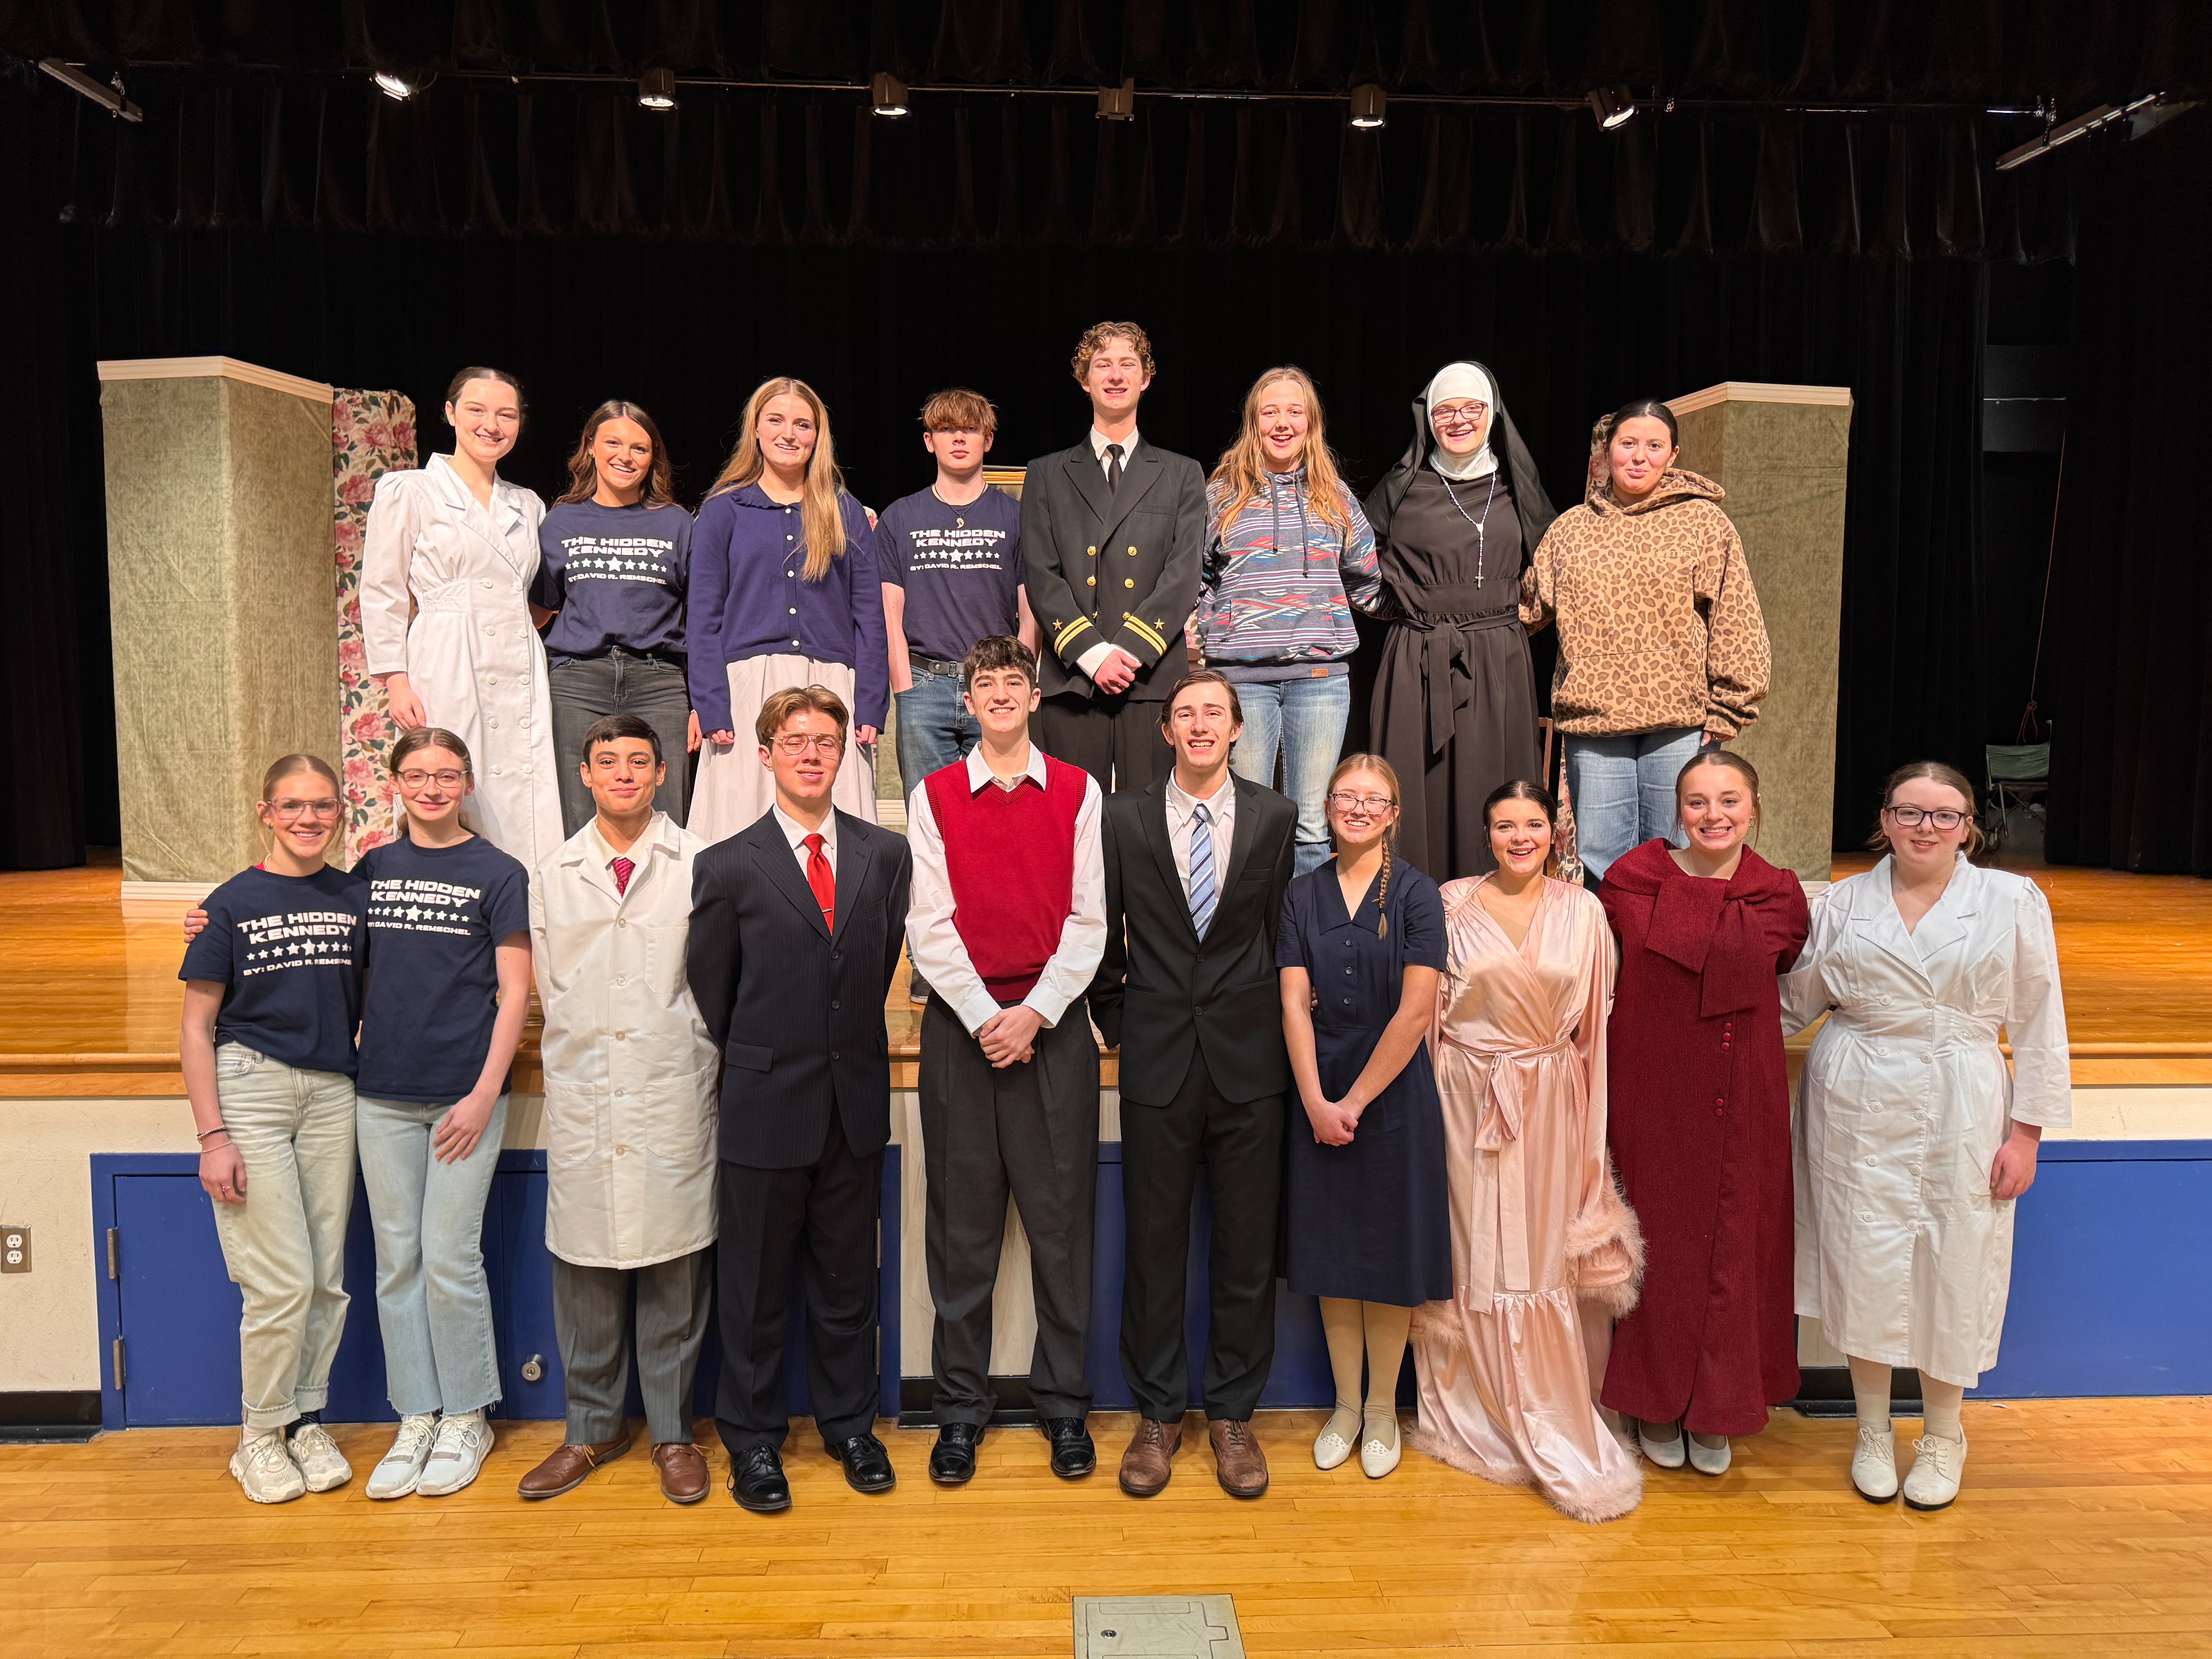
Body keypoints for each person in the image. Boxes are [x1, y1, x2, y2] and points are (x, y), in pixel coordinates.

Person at [1781, 762, 2069, 1511]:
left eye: (1945, 815)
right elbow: (1791, 1003)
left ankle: (1944, 1433)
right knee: (1864, 1259)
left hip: (1963, 1096)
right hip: (1856, 1094)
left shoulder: (2010, 900)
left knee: (1955, 1262)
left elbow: (2040, 1022)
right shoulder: (1843, 904)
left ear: (1970, 826)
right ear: (1884, 820)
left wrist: (2027, 1134)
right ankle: (1873, 1429)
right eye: (1909, 813)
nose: (1925, 829)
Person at [687, 685, 913, 1513]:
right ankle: (751, 1441)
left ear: (847, 752)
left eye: (826, 740)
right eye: (796, 741)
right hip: (764, 1102)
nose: (812, 753)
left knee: (849, 1283)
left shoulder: (884, 856)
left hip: (852, 1103)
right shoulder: (727, 864)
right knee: (752, 1289)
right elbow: (714, 991)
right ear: (766, 754)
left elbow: (880, 956)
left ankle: (851, 1425)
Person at [1408, 780, 1645, 1524]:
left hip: (1550, 1098)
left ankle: (1550, 1406)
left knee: (1540, 1254)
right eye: (1504, 824)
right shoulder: (1449, 904)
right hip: (1462, 1095)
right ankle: (1471, 1409)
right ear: (1486, 834)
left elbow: (1594, 1040)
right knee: (1472, 1247)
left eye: (1532, 823)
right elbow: (1425, 1018)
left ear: (1555, 831)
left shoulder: (1585, 912)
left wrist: (1587, 1134)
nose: (1519, 836)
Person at [904, 635, 1106, 1486]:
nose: (997, 695)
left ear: (1033, 698)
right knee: (962, 1237)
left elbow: (1089, 922)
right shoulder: (936, 794)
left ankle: (1063, 1408)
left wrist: (1033, 1015)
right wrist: (992, 1017)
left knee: (1061, 1235)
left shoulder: (1077, 792)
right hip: (965, 1029)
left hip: (1053, 1030)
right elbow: (929, 923)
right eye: (982, 683)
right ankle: (959, 1412)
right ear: (970, 701)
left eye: (1011, 683)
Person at [1093, 669, 1298, 1499]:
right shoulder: (1123, 817)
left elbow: (1282, 935)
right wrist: (1121, 1013)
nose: (1201, 724)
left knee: (1246, 1251)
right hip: (1158, 1055)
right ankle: (1157, 1414)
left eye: (1215, 712)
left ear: (1239, 729)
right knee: (1155, 1247)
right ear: (1168, 731)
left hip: (1251, 1064)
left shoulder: (1278, 817)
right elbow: (1101, 927)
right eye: (1186, 714)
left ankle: (1233, 1417)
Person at [517, 714, 720, 1506]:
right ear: (586, 775)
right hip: (588, 1093)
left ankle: (673, 1434)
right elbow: (547, 983)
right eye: (610, 762)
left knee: (675, 1271)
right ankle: (590, 1429)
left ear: (663, 774)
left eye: (640, 761)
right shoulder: (553, 873)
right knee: (587, 1273)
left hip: (672, 1084)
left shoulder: (700, 864)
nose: (626, 774)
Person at [1597, 750, 1809, 1477]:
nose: (1712, 814)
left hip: (1741, 1089)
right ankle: (1655, 1401)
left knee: (1731, 1243)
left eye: (1728, 799)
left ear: (1753, 806)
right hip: (1652, 1086)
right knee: (1658, 1241)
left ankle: (1716, 1406)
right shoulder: (1631, 882)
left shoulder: (1777, 894)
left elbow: (1772, 958)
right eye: (1696, 801)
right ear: (1676, 808)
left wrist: (1708, 912)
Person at [349, 729, 532, 1500]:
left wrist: (487, 1090)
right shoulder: (371, 869)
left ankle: (467, 1413)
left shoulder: (497, 872)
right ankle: (416, 1413)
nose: (431, 787)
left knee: (450, 1258)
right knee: (398, 1262)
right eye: (417, 775)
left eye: (446, 775)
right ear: (395, 782)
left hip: (464, 1094)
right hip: (382, 1094)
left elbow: (516, 991)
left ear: (464, 783)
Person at [179, 754, 367, 1504]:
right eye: (292, 807)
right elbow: (196, 1028)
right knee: (279, 1279)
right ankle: (257, 1435)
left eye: (322, 807)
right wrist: (212, 1136)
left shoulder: (357, 894)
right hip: (251, 1088)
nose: (308, 820)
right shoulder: (229, 903)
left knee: (326, 1278)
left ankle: (304, 1420)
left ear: (340, 813)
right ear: (266, 814)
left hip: (333, 1092)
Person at [1276, 754, 1450, 1481]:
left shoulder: (1415, 894)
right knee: (1333, 1258)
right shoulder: (1300, 893)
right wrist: (1316, 1098)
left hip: (1393, 1095)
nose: (1357, 808)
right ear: (1326, 804)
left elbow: (1416, 1011)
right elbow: (1292, 1000)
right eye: (1346, 796)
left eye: (1372, 798)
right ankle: (1344, 1405)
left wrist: (1351, 1102)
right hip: (1315, 1089)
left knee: (1387, 1260)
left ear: (1393, 812)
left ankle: (1382, 1408)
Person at [1521, 397, 1770, 882]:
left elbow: (1736, 618)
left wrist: (1730, 708)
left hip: (1678, 721)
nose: (1640, 457)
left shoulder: (1703, 523)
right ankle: (1615, 957)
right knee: (1603, 858)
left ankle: (1672, 956)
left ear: (1673, 455)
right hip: (1595, 720)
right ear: (1606, 452)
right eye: (1628, 444)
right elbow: (1527, 610)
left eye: (1654, 446)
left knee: (1678, 849)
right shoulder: (1571, 530)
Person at [362, 366, 563, 872]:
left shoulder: (528, 504)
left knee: (524, 790)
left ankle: (524, 919)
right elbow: (383, 589)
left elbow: (539, 595)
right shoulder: (409, 491)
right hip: (446, 655)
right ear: (451, 414)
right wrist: (396, 679)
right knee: (449, 777)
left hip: (518, 665)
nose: (491, 425)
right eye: (477, 410)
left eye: (506, 414)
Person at [1367, 362, 1558, 883]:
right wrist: (1403, 612)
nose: (1458, 420)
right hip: (1416, 658)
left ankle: (1495, 923)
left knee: (1491, 789)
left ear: (1492, 414)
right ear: (1428, 419)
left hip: (1498, 658)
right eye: (1445, 410)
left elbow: (1555, 570)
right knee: (1412, 790)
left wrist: (1509, 622)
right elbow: (1354, 566)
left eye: (1471, 408)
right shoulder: (1401, 487)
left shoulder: (1517, 486)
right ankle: (1412, 924)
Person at [877, 387, 1036, 1005]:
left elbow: (1030, 608)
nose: (960, 439)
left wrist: (1018, 680)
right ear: (931, 442)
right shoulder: (901, 516)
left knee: (1000, 826)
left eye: (971, 430)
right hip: (924, 682)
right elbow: (890, 611)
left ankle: (998, 958)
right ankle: (930, 963)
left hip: (994, 687)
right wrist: (902, 685)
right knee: (931, 831)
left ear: (987, 442)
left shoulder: (1014, 516)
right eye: (948, 431)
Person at [1198, 367, 1381, 877]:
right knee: (1247, 821)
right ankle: (1251, 948)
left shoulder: (1336, 498)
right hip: (1242, 682)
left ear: (1311, 423)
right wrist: (1216, 627)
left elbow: (1368, 582)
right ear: (1253, 424)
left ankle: (1301, 946)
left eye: (1294, 411)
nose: (1282, 423)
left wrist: (1436, 606)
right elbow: (1192, 576)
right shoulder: (1220, 496)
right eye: (1270, 412)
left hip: (1319, 682)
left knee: (1310, 827)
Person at [689, 378, 884, 842]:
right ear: (755, 429)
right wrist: (712, 705)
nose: (789, 434)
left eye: (803, 424)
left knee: (837, 830)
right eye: (776, 420)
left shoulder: (844, 510)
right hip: (746, 691)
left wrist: (871, 705)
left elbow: (870, 618)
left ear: (818, 436)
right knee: (741, 824)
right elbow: (702, 619)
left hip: (832, 685)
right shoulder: (724, 510)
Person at [1023, 321, 1206, 795]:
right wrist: (1094, 654)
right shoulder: (1047, 474)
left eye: (1128, 364)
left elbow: (1183, 574)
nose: (1116, 375)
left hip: (1151, 677)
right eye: (1102, 364)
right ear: (1084, 379)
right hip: (1073, 676)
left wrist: (1127, 653)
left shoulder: (1182, 474)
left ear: (1146, 378)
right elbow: (1042, 575)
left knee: (1151, 829)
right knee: (1073, 828)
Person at [533, 400, 699, 835]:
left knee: (665, 817)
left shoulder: (678, 524)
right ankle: (586, 905)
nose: (626, 457)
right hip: (576, 682)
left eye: (640, 449)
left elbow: (701, 619)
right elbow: (537, 610)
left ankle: (668, 905)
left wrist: (701, 703)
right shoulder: (560, 521)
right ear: (590, 446)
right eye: (613, 443)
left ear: (653, 458)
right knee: (579, 815)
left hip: (659, 681)